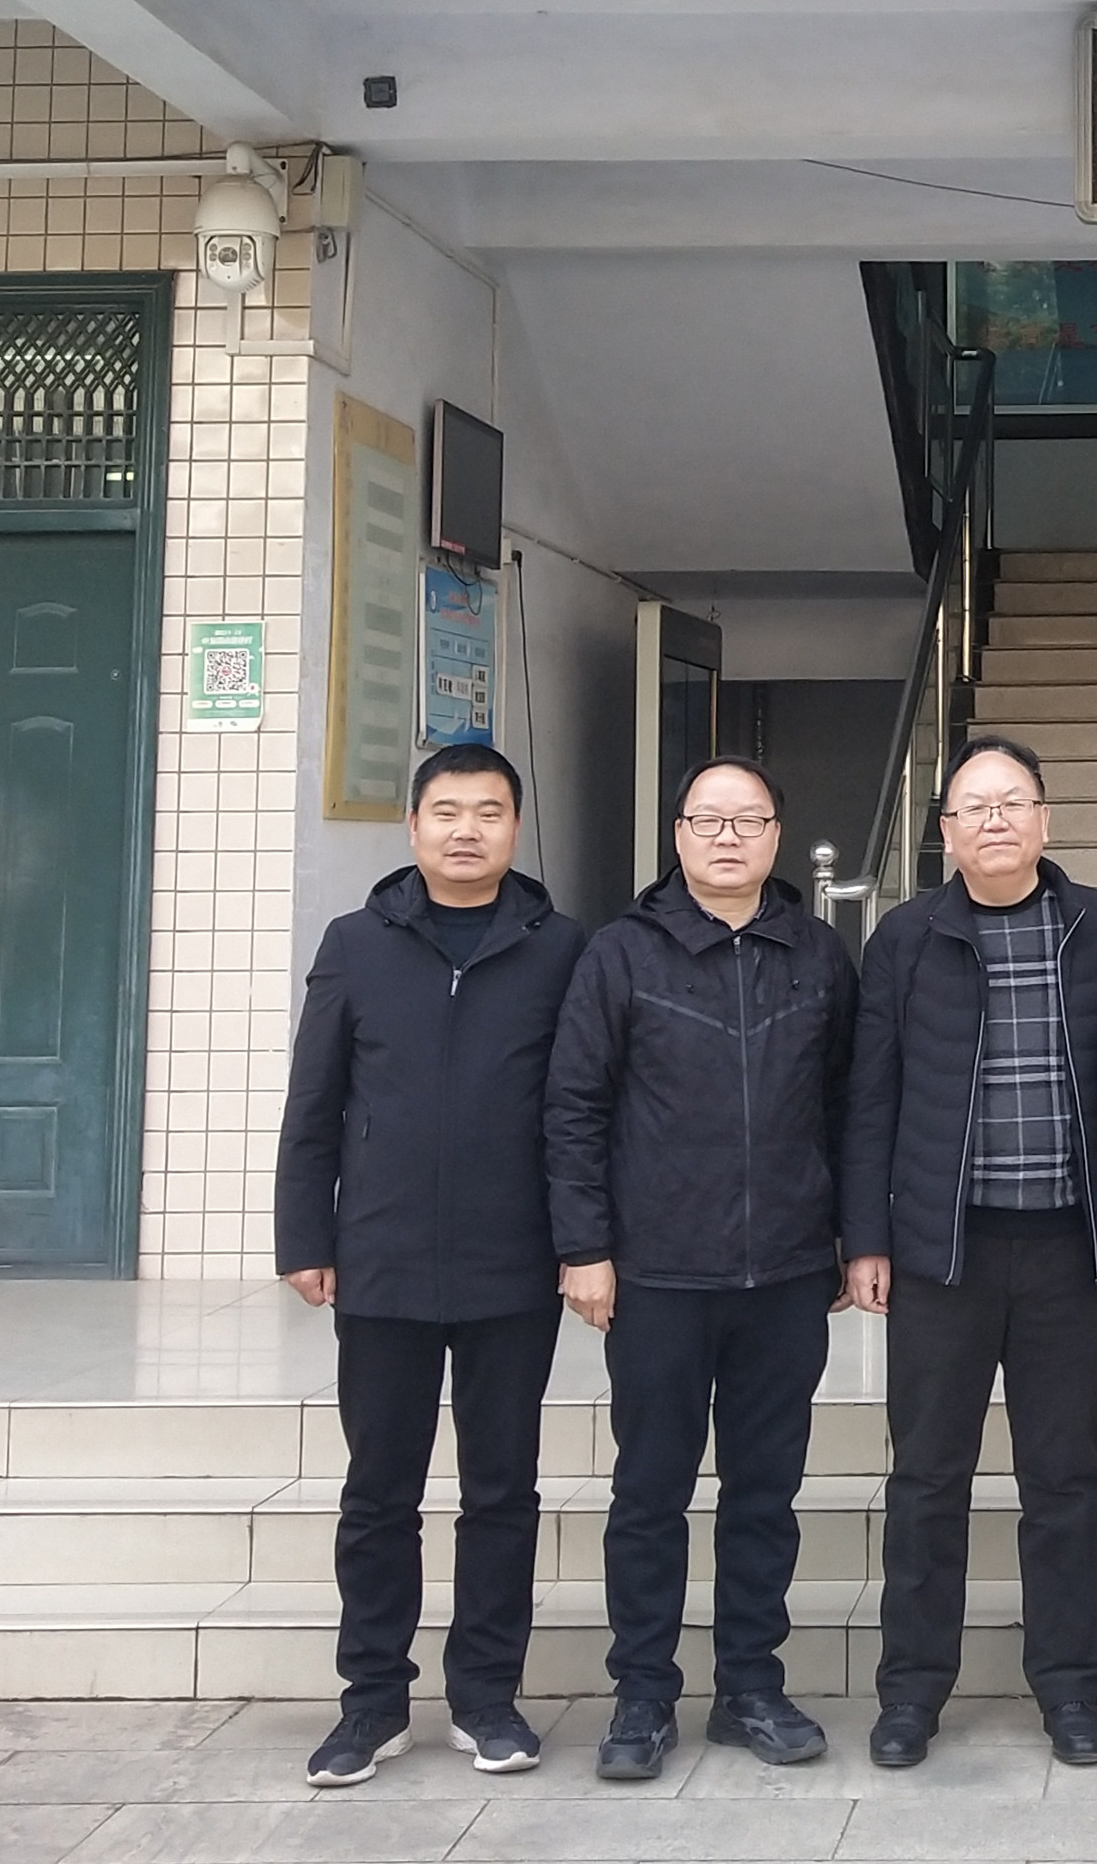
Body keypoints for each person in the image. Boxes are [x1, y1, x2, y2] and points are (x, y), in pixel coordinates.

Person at [273, 744, 589, 1790]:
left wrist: (585, 1241)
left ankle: (487, 1697)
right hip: (385, 1261)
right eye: (446, 811)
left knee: (503, 1489)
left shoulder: (560, 950)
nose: (466, 829)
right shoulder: (357, 945)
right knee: (380, 1492)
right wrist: (305, 1237)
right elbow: (313, 1103)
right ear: (411, 829)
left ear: (514, 828)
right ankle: (370, 1702)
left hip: (513, 1264)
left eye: (488, 812)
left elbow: (577, 1112)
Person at [547, 754, 857, 1780]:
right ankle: (641, 1695)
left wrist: (853, 1244)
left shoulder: (817, 955)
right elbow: (574, 1109)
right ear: (677, 834)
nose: (729, 838)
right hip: (657, 1276)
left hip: (784, 1278)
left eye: (750, 821)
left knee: (764, 1493)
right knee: (649, 1493)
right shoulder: (620, 956)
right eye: (708, 820)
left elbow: (849, 1111)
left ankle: (750, 1688)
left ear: (777, 836)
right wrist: (585, 1248)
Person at [840, 734, 1097, 1770]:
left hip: (1064, 1248)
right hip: (942, 1250)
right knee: (927, 1477)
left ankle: (1068, 1689)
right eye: (974, 807)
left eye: (1014, 802)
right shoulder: (905, 938)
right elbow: (867, 1095)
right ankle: (912, 1693)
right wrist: (865, 1236)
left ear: (1046, 820)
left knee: (1065, 1479)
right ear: (944, 834)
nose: (996, 820)